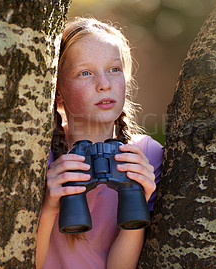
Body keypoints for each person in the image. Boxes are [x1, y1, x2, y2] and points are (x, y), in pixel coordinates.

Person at [36, 17, 163, 269]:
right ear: (57, 90)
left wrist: (137, 199)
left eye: (114, 70)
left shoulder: (147, 154)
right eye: (85, 73)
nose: (104, 84)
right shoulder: (39, 155)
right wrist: (50, 206)